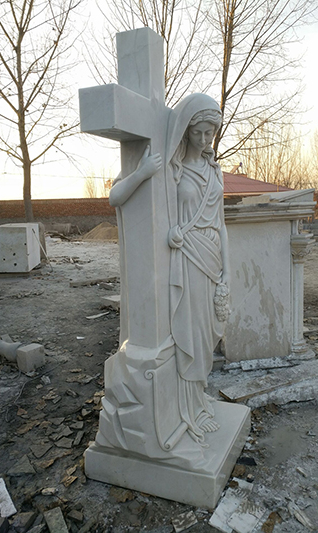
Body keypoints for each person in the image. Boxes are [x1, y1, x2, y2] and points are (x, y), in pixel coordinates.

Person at [109, 93, 230, 447]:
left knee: (207, 336)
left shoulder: (213, 168)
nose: (207, 140)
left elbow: (221, 224)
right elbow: (116, 196)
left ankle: (197, 399)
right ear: (186, 130)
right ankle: (189, 410)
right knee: (189, 335)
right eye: (200, 133)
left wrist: (229, 272)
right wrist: (143, 171)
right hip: (186, 259)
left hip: (212, 259)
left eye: (212, 133)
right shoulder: (170, 167)